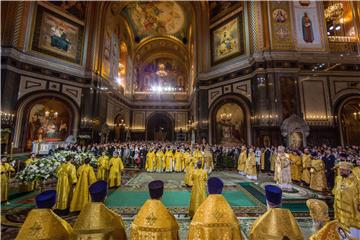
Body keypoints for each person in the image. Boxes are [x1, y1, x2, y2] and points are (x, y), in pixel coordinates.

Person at [333, 161, 360, 238]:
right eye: (340, 169)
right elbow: (335, 190)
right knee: (341, 229)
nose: (340, 171)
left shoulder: (356, 180)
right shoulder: (338, 178)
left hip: (352, 210)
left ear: (349, 170)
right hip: (340, 209)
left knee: (353, 230)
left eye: (343, 170)